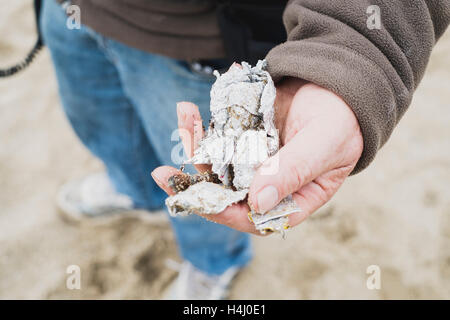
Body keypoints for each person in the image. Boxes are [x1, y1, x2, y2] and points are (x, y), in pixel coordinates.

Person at [40, 0, 449, 299]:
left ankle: (213, 266)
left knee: (205, 178)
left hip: (201, 41)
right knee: (101, 124)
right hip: (72, 11)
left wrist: (356, 49)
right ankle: (133, 190)